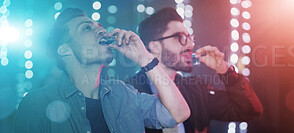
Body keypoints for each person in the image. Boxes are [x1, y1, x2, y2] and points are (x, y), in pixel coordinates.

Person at [13, 8, 190, 133]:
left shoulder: (124, 93)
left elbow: (178, 114)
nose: (100, 29)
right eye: (86, 28)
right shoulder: (36, 104)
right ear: (65, 49)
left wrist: (145, 58)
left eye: (98, 25)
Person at [125, 7, 263, 133]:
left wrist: (225, 70)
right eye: (180, 37)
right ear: (155, 46)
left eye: (190, 38)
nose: (191, 44)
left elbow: (249, 110)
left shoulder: (196, 89)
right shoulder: (128, 91)